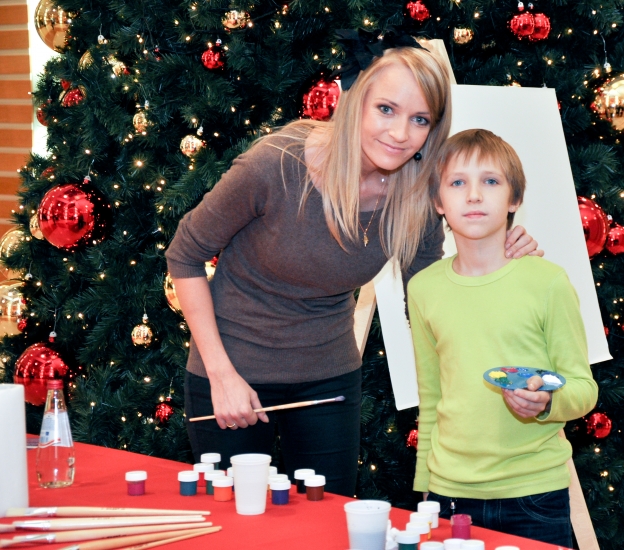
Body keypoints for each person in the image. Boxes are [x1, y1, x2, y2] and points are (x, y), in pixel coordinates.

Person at [165, 45, 542, 497]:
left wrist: (499, 261)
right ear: (356, 99)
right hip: (231, 374)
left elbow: (430, 301)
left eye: (420, 119)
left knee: (327, 530)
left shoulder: (418, 198)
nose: (401, 133)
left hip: (328, 381)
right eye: (386, 109)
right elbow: (184, 254)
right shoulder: (276, 164)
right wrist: (222, 375)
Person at [408, 129, 598, 546]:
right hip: (450, 496)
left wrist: (547, 402)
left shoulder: (548, 282)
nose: (473, 195)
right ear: (439, 202)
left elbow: (583, 388)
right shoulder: (423, 289)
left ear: (514, 200)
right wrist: (426, 485)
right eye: (458, 183)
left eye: (490, 181)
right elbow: (432, 397)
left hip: (536, 495)